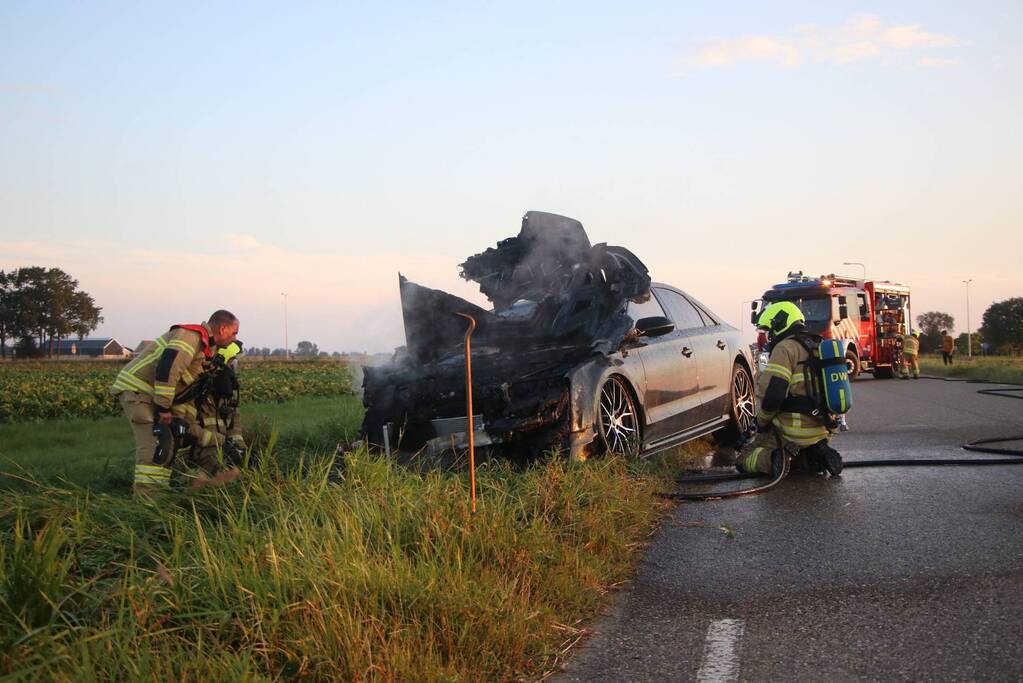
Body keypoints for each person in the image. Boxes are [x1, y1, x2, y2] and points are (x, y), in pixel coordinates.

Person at [110, 310, 239, 497]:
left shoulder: (204, 352)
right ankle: (148, 506)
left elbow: (183, 394)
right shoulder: (191, 337)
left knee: (168, 442)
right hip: (138, 390)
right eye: (234, 333)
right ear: (223, 328)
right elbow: (167, 369)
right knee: (156, 446)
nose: (235, 338)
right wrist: (163, 408)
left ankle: (160, 498)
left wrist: (184, 425)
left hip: (152, 395)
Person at [735, 301, 842, 478]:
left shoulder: (785, 348)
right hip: (823, 428)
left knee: (744, 459)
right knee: (804, 457)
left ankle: (776, 458)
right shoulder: (820, 345)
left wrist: (760, 423)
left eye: (770, 331)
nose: (769, 337)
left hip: (792, 430)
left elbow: (773, 396)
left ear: (780, 325)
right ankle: (816, 453)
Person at [171, 340, 248, 488]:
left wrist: (240, 450)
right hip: (193, 454)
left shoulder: (227, 394)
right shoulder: (194, 392)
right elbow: (185, 427)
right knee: (212, 476)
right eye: (231, 362)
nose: (233, 368)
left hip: (218, 451)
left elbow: (234, 426)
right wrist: (222, 441)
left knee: (238, 476)